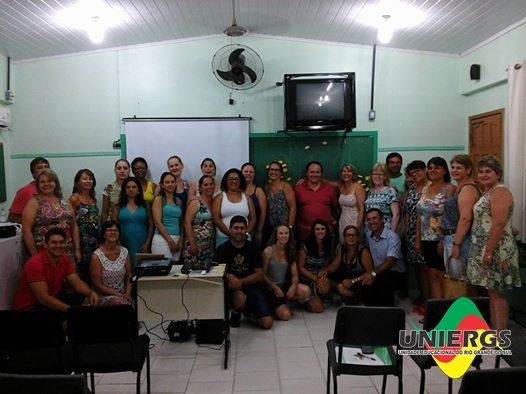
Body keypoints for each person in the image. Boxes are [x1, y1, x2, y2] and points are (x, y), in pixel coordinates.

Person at [467, 155, 521, 334]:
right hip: (484, 246)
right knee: (491, 292)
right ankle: (494, 333)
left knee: (496, 293)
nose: (483, 175)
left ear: (498, 174)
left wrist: (488, 252)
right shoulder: (488, 191)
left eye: (488, 171)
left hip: (496, 249)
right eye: (480, 171)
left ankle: (499, 336)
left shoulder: (500, 191)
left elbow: (498, 223)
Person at [13, 227, 98, 311]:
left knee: (83, 299)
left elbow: (77, 283)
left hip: (50, 300)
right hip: (30, 307)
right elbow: (43, 298)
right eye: (54, 242)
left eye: (61, 242)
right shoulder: (35, 263)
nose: (58, 246)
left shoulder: (64, 258)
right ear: (45, 245)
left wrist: (91, 293)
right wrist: (70, 311)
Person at [215, 216, 273, 329]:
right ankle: (236, 313)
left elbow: (259, 274)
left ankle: (247, 311)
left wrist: (240, 282)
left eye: (242, 228)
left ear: (246, 230)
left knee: (267, 323)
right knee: (239, 296)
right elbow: (216, 272)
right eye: (236, 228)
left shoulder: (253, 248)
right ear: (230, 229)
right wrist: (228, 276)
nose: (239, 231)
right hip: (230, 289)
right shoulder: (222, 249)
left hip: (251, 286)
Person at [415, 157, 456, 300]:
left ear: (444, 170)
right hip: (426, 238)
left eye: (437, 167)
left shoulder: (450, 189)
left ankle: (447, 312)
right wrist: (418, 239)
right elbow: (421, 215)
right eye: (430, 168)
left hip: (442, 238)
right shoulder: (426, 188)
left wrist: (442, 240)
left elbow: (450, 216)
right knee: (431, 275)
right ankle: (436, 311)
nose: (432, 170)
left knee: (443, 276)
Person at [22, 169, 81, 262]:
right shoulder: (34, 202)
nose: (46, 184)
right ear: (38, 184)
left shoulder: (64, 201)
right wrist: (35, 256)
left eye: (50, 181)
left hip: (67, 251)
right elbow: (26, 231)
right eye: (42, 182)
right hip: (44, 253)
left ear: (55, 182)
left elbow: (74, 227)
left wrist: (77, 249)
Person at [442, 155, 480, 281]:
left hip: (460, 239)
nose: (454, 170)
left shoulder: (467, 189)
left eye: (459, 168)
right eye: (452, 167)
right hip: (451, 237)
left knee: (460, 281)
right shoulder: (459, 188)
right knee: (455, 277)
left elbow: (465, 218)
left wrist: (456, 244)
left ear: (468, 170)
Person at [262, 224, 310, 320]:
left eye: (286, 233)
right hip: (269, 287)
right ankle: (273, 307)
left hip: (283, 286)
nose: (284, 236)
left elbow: (295, 275)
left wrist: (293, 286)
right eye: (281, 233)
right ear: (276, 235)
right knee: (286, 316)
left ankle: (283, 302)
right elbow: (261, 274)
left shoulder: (290, 251)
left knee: (306, 291)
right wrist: (274, 287)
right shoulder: (268, 251)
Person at [363, 208, 405, 306]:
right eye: (369, 219)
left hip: (394, 272)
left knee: (384, 283)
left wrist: (372, 273)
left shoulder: (392, 238)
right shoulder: (368, 235)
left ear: (382, 220)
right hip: (378, 271)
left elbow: (390, 262)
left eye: (374, 218)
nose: (371, 222)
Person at [402, 160, 430, 309]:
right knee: (417, 268)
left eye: (418, 171)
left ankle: (428, 300)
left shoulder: (430, 188)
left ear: (425, 170)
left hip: (425, 232)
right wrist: (406, 229)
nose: (415, 175)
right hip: (411, 232)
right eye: (412, 173)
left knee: (426, 268)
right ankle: (423, 295)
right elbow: (406, 210)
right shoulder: (412, 188)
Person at [112, 177, 154, 271]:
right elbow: (113, 227)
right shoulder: (117, 206)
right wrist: (118, 244)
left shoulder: (145, 204)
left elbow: (151, 224)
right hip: (123, 243)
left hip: (142, 243)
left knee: (142, 271)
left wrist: (147, 243)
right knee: (126, 270)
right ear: (124, 190)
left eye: (134, 187)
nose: (131, 189)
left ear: (139, 189)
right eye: (128, 187)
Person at [326, 225, 374, 303]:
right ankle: (341, 291)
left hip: (358, 280)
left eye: (353, 235)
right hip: (345, 278)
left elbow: (371, 273)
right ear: (344, 238)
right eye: (348, 235)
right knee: (327, 278)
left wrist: (353, 281)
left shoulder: (363, 251)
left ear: (358, 237)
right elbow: (333, 266)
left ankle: (352, 296)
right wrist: (324, 271)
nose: (351, 237)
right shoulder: (342, 248)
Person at [90, 221, 132, 305]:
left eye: (115, 230)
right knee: (120, 303)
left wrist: (127, 294)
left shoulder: (124, 251)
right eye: (109, 230)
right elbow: (97, 284)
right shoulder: (96, 256)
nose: (112, 232)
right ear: (104, 234)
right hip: (103, 296)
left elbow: (129, 276)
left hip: (122, 296)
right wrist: (116, 294)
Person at [294, 161, 339, 242]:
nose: (314, 175)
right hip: (304, 233)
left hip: (326, 233)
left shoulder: (330, 189)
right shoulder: (298, 189)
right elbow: (294, 209)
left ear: (321, 174)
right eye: (312, 172)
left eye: (317, 172)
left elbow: (336, 208)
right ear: (306, 173)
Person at [212, 168, 256, 247]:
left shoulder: (247, 198)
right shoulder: (220, 197)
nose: (234, 181)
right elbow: (216, 218)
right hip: (223, 237)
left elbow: (253, 218)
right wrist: (230, 234)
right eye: (231, 179)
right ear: (226, 181)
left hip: (244, 239)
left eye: (236, 179)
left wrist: (245, 234)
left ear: (240, 181)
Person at [69, 169, 99, 282]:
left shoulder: (93, 198)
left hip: (94, 238)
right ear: (78, 182)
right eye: (85, 178)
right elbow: (71, 223)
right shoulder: (74, 198)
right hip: (81, 239)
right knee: (82, 268)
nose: (88, 181)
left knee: (93, 267)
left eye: (90, 179)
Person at [296, 219, 333, 313]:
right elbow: (300, 267)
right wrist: (315, 278)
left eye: (322, 229)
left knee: (325, 286)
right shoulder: (305, 245)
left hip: (318, 276)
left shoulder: (328, 244)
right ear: (313, 231)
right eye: (317, 229)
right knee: (318, 309)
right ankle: (303, 300)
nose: (320, 231)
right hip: (306, 278)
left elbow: (325, 265)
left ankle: (318, 296)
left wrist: (322, 276)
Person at [183, 175, 215, 264]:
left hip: (209, 246)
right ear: (200, 188)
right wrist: (192, 244)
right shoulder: (195, 202)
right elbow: (187, 223)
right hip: (195, 245)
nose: (209, 187)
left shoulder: (214, 202)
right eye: (205, 185)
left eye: (211, 184)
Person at [151, 172, 184, 261]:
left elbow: (181, 222)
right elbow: (157, 222)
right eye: (167, 182)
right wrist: (169, 241)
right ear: (162, 185)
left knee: (175, 271)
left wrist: (181, 240)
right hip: (162, 239)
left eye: (172, 182)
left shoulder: (178, 201)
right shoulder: (159, 199)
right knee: (164, 269)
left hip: (176, 239)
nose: (170, 184)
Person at [263, 160, 296, 246]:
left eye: (276, 170)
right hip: (270, 227)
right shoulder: (266, 188)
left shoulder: (285, 186)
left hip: (284, 228)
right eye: (271, 169)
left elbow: (293, 208)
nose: (273, 172)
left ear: (280, 173)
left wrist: (290, 227)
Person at [8, 157, 50, 224]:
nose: (44, 169)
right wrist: (34, 224)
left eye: (46, 167)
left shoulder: (53, 188)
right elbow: (13, 217)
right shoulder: (25, 191)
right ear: (33, 174)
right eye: (39, 168)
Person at [365, 162, 400, 231]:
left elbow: (396, 215)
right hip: (370, 230)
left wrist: (392, 235)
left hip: (385, 231)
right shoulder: (370, 192)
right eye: (375, 174)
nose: (377, 177)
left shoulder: (390, 191)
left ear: (385, 176)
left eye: (380, 174)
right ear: (371, 176)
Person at [337, 163, 366, 241]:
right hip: (343, 221)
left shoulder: (358, 187)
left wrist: (358, 227)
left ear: (353, 174)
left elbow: (361, 209)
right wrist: (306, 179)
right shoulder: (341, 187)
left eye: (349, 171)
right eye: (344, 171)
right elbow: (328, 182)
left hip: (355, 221)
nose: (346, 174)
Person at [241, 162, 267, 247]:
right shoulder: (235, 190)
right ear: (241, 173)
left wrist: (259, 231)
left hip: (254, 231)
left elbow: (263, 213)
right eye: (246, 171)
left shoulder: (259, 191)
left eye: (251, 172)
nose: (248, 173)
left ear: (254, 175)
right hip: (237, 230)